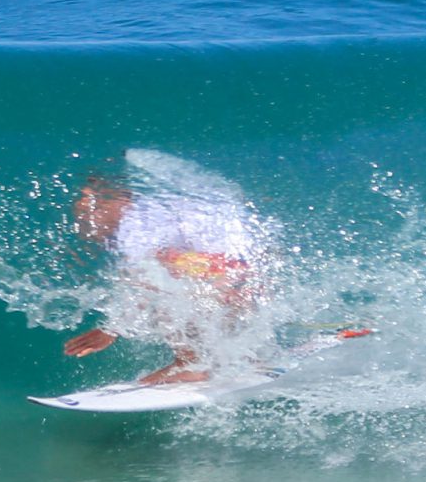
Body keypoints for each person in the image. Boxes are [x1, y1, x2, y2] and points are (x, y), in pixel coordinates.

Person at [63, 152, 276, 386]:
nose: (82, 207)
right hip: (256, 273)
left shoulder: (135, 226)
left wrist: (111, 331)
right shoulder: (160, 210)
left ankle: (192, 364)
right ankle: (245, 356)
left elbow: (147, 281)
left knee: (164, 278)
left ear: (122, 200)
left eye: (91, 201)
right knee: (176, 271)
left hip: (239, 276)